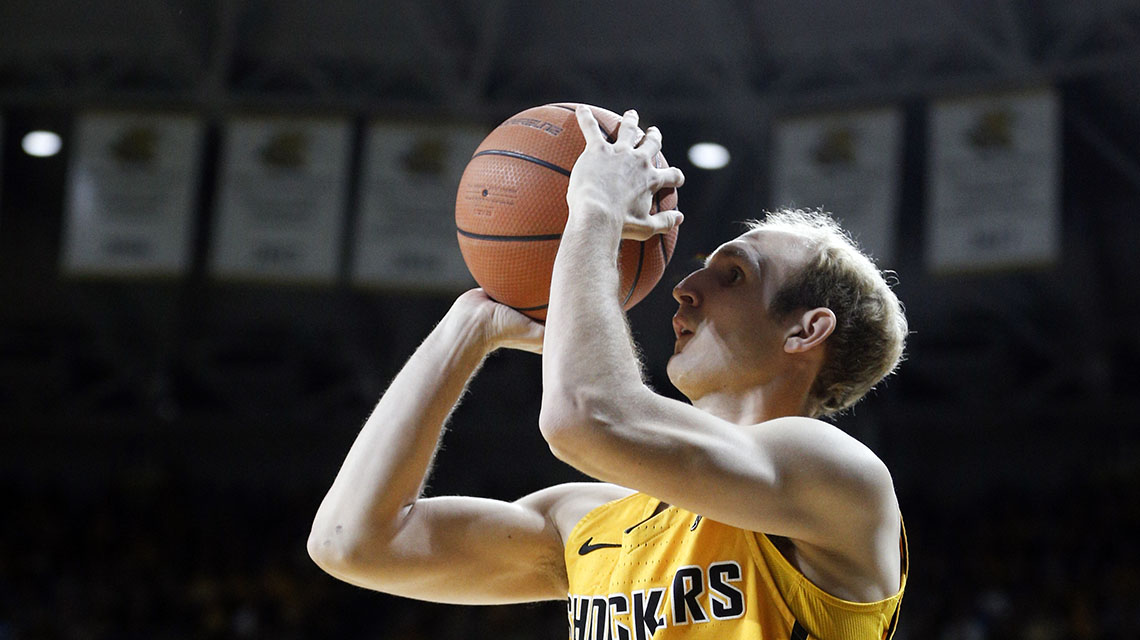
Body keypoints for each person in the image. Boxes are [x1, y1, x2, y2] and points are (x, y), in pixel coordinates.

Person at [308, 106, 909, 639]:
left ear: (806, 330)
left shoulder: (837, 478)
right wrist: (467, 327)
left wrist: (593, 210)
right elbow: (351, 542)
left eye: (734, 276)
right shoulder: (589, 521)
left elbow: (586, 417)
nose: (684, 287)